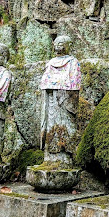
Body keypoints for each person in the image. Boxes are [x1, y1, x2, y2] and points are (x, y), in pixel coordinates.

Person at [39, 35, 82, 165]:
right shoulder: (50, 63)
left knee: (64, 126)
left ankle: (64, 157)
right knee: (50, 126)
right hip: (51, 101)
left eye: (62, 43)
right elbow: (44, 81)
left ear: (69, 46)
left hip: (64, 101)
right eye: (56, 43)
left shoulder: (73, 62)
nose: (58, 46)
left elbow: (74, 83)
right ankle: (49, 157)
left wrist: (59, 86)